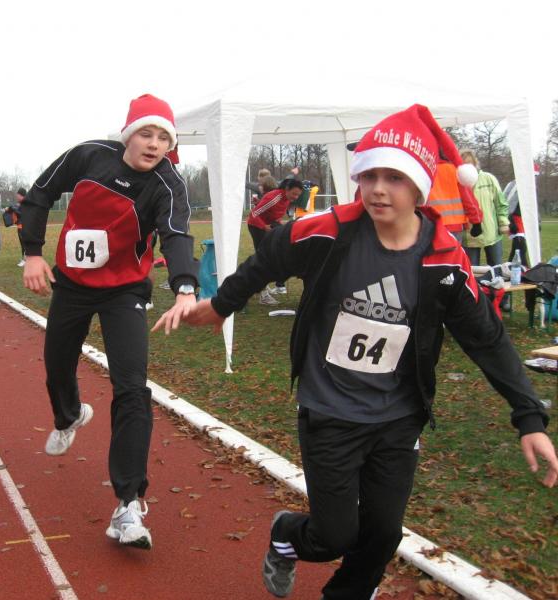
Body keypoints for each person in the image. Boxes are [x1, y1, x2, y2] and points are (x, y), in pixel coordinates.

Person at [156, 104, 558, 599]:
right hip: (330, 411)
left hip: (398, 417)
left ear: (419, 187)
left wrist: (529, 417)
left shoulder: (444, 259)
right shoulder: (328, 231)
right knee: (335, 536)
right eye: (369, 175)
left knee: (383, 534)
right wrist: (222, 304)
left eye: (394, 177)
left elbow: (486, 338)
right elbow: (270, 256)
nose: (378, 189)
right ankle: (287, 533)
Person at [21, 93, 198, 550]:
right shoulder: (88, 156)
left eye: (163, 138)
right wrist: (32, 253)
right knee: (57, 364)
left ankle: (128, 504)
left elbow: (177, 234)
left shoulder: (168, 184)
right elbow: (40, 193)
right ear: (128, 135)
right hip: (73, 284)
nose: (154, 144)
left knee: (132, 388)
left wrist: (185, 287)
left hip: (124, 291)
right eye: (146, 133)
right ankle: (70, 415)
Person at [246, 178, 304, 304]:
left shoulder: (286, 199)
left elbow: (273, 215)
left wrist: (279, 225)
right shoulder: (275, 197)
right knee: (263, 258)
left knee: (277, 253)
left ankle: (273, 284)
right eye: (294, 193)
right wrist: (264, 227)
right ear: (287, 189)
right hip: (257, 226)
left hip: (269, 225)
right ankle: (263, 295)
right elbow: (254, 214)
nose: (295, 197)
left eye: (298, 195)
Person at [461, 149, 509, 266]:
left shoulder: (489, 179)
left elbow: (500, 202)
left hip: (492, 233)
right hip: (469, 236)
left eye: (470, 164)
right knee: (472, 270)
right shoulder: (459, 181)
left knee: (496, 268)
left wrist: (503, 222)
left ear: (475, 163)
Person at [427, 160, 483, 244]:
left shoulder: (425, 169)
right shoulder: (456, 170)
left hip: (431, 224)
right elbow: (468, 199)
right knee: (454, 252)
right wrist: (476, 221)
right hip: (455, 225)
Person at [4, 187, 28, 267]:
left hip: (23, 227)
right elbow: (16, 209)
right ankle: (24, 259)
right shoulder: (21, 203)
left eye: (18, 195)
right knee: (23, 244)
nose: (17, 196)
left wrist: (11, 208)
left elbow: (20, 213)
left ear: (21, 195)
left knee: (24, 244)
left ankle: (25, 260)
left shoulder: (25, 203)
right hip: (20, 227)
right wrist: (10, 209)